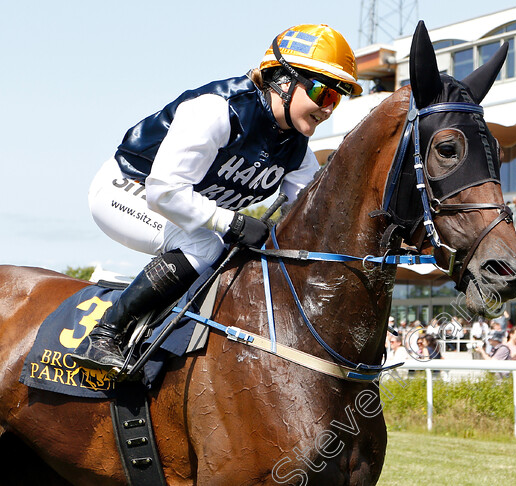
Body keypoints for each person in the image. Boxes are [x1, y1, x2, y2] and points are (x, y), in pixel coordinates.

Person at [72, 24, 362, 370]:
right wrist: (234, 222)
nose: (329, 109)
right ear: (284, 81)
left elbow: (316, 222)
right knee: (207, 246)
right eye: (323, 94)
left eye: (336, 99)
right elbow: (165, 190)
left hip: (181, 211)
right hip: (129, 189)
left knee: (240, 257)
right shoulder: (217, 110)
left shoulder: (298, 152)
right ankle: (106, 334)